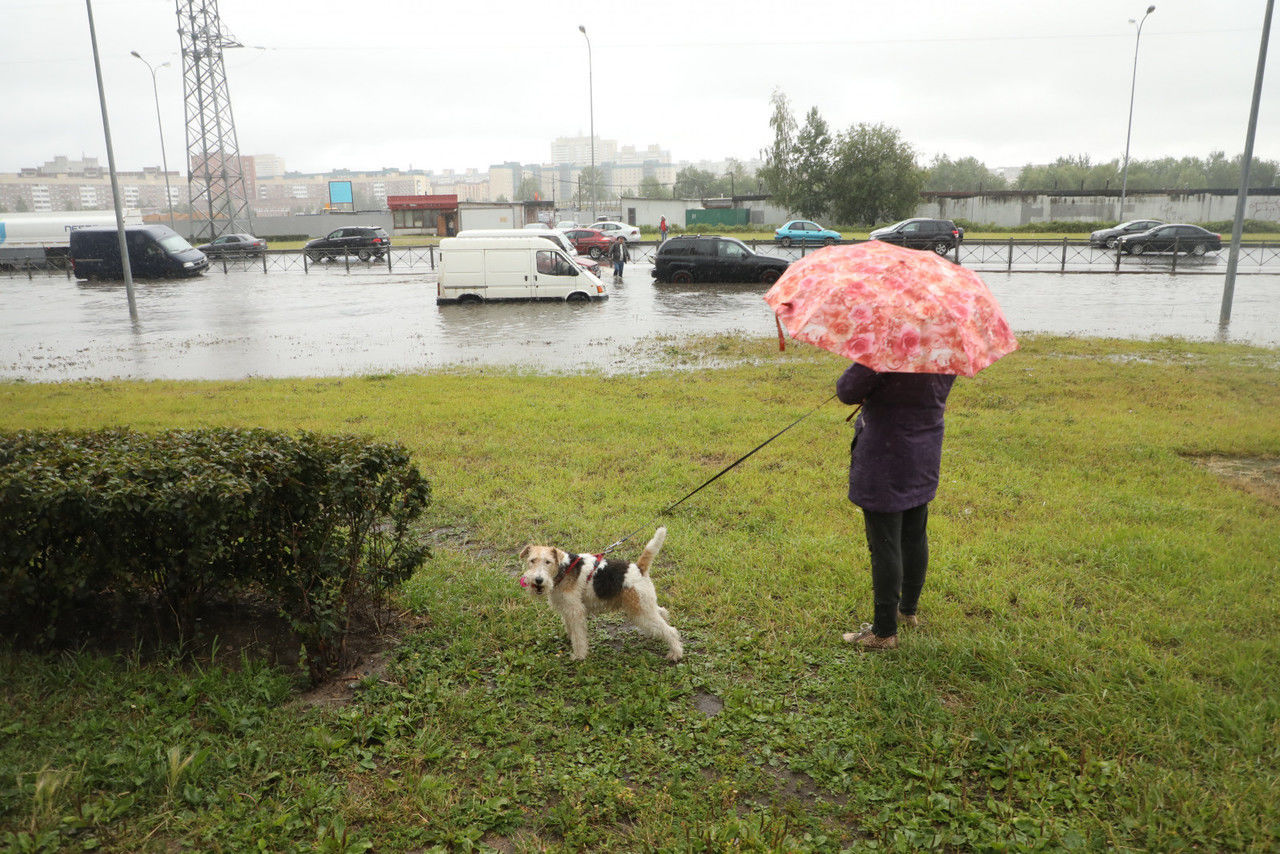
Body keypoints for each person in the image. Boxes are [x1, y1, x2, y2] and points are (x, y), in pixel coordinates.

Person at [836, 364, 955, 651]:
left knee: (885, 542)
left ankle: (884, 632)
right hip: (924, 452)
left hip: (885, 456)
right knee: (915, 534)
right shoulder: (944, 348)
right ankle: (907, 611)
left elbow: (846, 390)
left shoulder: (887, 348)